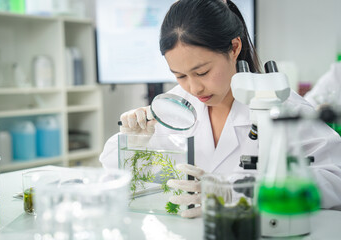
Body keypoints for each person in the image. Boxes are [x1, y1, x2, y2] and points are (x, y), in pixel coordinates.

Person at [100, 0, 341, 218]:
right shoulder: (172, 108)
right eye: (180, 75)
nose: (194, 87)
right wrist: (132, 146)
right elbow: (112, 181)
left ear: (234, 47)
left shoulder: (280, 105)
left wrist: (244, 192)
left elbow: (335, 178)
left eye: (202, 72)